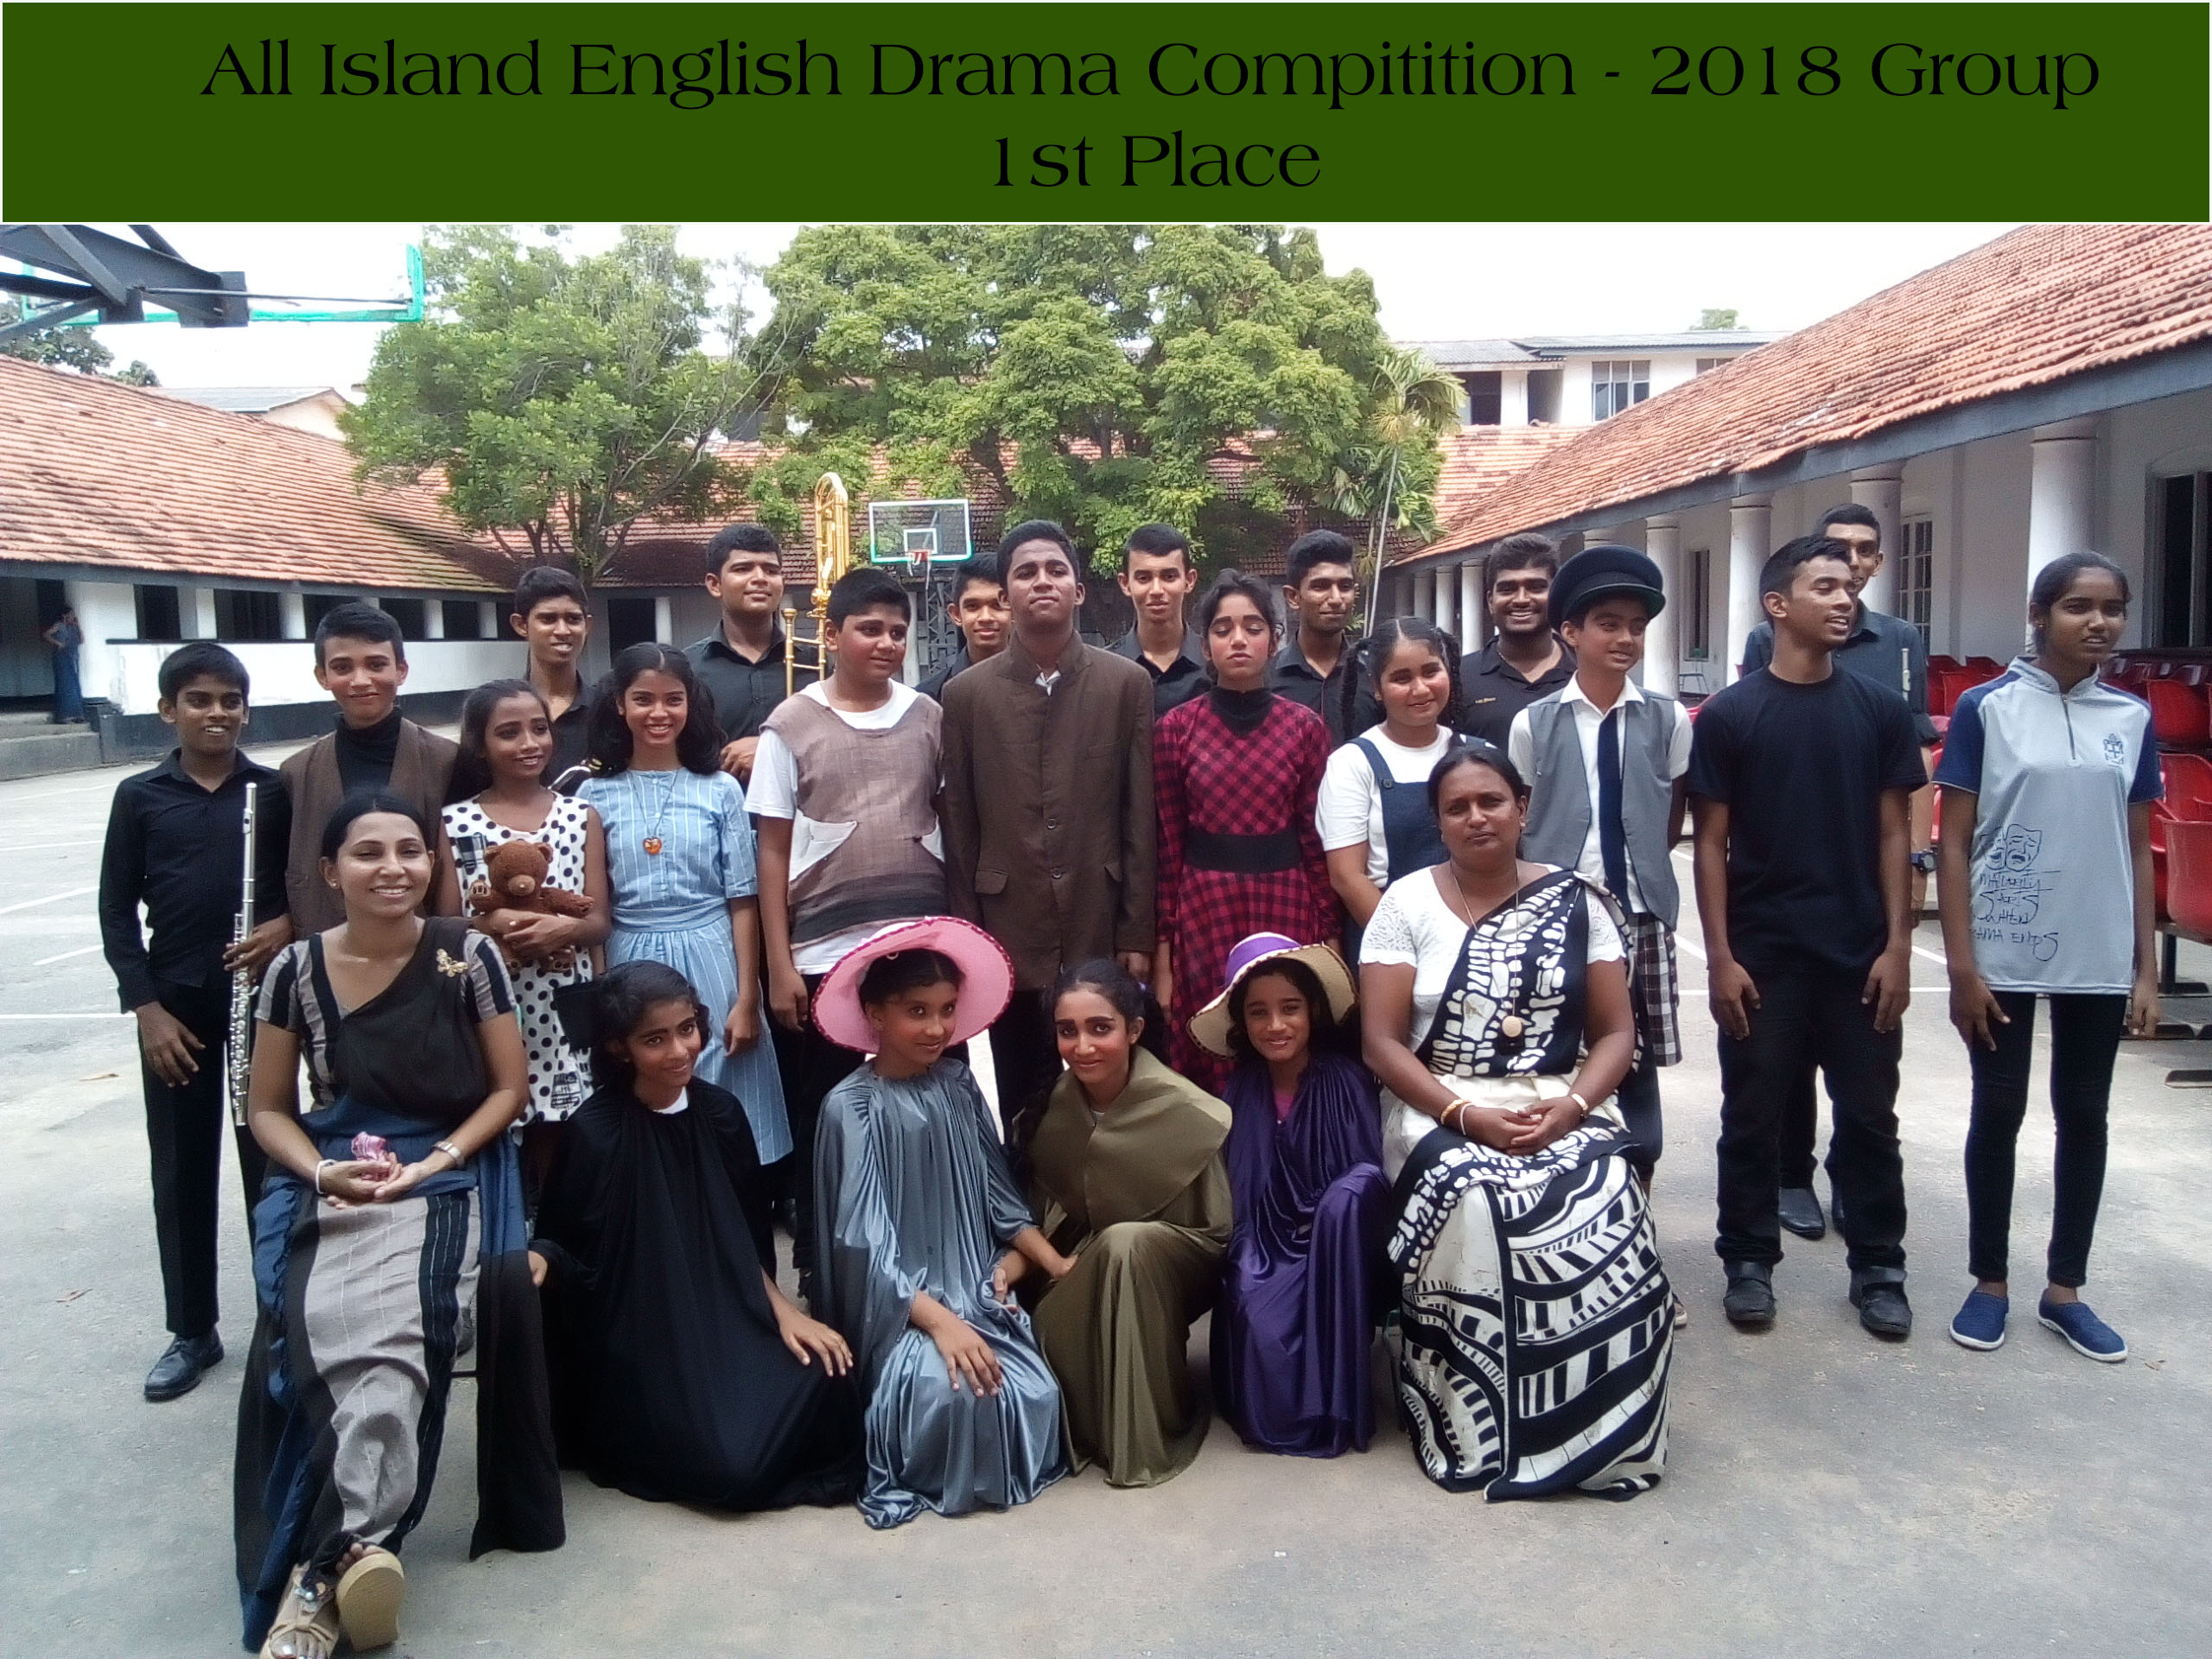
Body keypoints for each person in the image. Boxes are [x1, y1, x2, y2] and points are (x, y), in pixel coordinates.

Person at [235, 792, 561, 1659]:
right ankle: (359, 1553)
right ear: (330, 871)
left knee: (399, 1336)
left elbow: (508, 1090)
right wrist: (320, 1172)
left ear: (432, 863)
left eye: (410, 851)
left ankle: (318, 1576)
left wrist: (434, 1162)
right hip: (333, 1172)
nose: (393, 868)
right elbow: (266, 1109)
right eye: (368, 853)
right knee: (319, 1326)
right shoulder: (294, 969)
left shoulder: (468, 953)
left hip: (443, 1170)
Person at [1359, 742, 1671, 1500]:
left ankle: (1607, 1435)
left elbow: (1617, 1034)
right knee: (1477, 1197)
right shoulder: (1405, 904)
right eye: (1457, 807)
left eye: (1491, 801)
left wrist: (1572, 1108)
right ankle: (1477, 1430)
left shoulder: (1580, 902)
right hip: (1437, 1100)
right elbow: (1381, 1044)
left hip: (1558, 1095)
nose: (1477, 817)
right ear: (1438, 822)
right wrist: (1465, 1114)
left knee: (1609, 1195)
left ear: (1522, 807)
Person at [1688, 537, 1925, 1338]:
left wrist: (1898, 946)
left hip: (1858, 954)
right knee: (1752, 1117)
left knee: (1871, 1119)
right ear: (1778, 605)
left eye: (1849, 587)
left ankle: (1880, 1269)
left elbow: (1895, 834)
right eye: (1824, 586)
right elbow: (1710, 843)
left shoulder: (1880, 711)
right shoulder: (1731, 715)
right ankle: (1748, 1261)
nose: (1845, 598)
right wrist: (1721, 958)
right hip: (1764, 956)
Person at [531, 961, 863, 1511]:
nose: (680, 1050)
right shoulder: (595, 1132)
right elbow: (571, 1254)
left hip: (729, 1313)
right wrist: (542, 1258)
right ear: (618, 1047)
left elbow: (747, 1239)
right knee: (735, 1466)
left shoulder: (723, 1114)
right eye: (655, 1039)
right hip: (643, 1338)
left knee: (831, 1382)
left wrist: (787, 1315)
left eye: (686, 1029)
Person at [1936, 552, 2159, 1363]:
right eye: (2078, 606)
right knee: (1998, 1112)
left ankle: (2065, 1290)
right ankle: (1989, 1283)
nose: (2099, 622)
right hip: (2003, 948)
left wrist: (2145, 968)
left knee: (2085, 1115)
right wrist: (1962, 966)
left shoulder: (2131, 718)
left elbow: (2138, 847)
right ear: (2039, 615)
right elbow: (1952, 843)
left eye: (2113, 608)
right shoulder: (1985, 709)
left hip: (2097, 950)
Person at [810, 918, 1071, 1529]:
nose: (937, 1028)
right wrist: (941, 1323)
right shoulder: (851, 1106)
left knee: (1032, 1391)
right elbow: (863, 1243)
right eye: (917, 1012)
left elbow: (1000, 1201)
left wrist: (1050, 1263)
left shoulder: (958, 1083)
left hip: (972, 1284)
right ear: (874, 1014)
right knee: (953, 1394)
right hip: (899, 1305)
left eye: (948, 1010)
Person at [1740, 503, 1939, 1242]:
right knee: (1784, 1061)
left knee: (1866, 1069)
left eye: (1864, 552)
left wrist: (1915, 871)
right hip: (1787, 877)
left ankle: (1856, 1187)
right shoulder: (1766, 641)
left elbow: (1914, 761)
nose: (1852, 566)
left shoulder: (1899, 642)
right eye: (1837, 552)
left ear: (1879, 563)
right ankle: (1791, 1174)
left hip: (1862, 875)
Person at [99, 643, 291, 1402]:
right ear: (167, 711)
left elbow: (304, 885)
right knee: (180, 1169)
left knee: (268, 1165)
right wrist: (146, 1009)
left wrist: (284, 924)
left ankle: (278, 1319)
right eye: (199, 701)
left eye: (229, 701)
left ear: (246, 710)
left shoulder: (272, 791)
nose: (217, 713)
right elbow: (117, 912)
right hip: (175, 1009)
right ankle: (192, 1330)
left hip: (261, 1005)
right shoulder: (140, 796)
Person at [754, 567, 945, 1294]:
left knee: (920, 1107)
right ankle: (825, 1267)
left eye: (898, 631)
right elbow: (771, 850)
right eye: (870, 629)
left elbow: (950, 817)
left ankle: (926, 1257)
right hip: (825, 955)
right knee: (829, 1115)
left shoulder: (929, 717)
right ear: (831, 635)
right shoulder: (790, 725)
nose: (887, 643)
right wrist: (779, 964)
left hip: (918, 951)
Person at [941, 520, 1156, 1143]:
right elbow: (960, 827)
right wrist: (970, 943)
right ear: (1005, 595)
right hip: (1009, 923)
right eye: (1026, 572)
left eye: (1056, 570)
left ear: (1079, 590)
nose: (1043, 582)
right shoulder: (966, 695)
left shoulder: (1125, 684)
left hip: (1099, 913)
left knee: (1112, 1086)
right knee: (1025, 1097)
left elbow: (1139, 816)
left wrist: (1136, 930)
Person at [1509, 546, 1690, 1186]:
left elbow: (1670, 812)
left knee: (1634, 1052)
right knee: (1560, 1042)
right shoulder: (1534, 723)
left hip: (1639, 912)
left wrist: (1643, 872)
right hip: (1561, 913)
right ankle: (1565, 1178)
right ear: (1570, 632)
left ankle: (1639, 1172)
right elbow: (1524, 816)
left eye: (1636, 627)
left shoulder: (1667, 718)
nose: (1625, 639)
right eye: (1608, 624)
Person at [576, 644, 791, 1167]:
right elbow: (594, 909)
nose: (659, 713)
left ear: (690, 704)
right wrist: (603, 994)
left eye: (673, 699)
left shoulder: (720, 790)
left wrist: (747, 996)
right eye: (643, 700)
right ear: (619, 705)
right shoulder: (592, 796)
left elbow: (742, 899)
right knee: (647, 1090)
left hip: (712, 951)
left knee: (724, 1078)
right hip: (631, 953)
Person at [1027, 959, 1232, 1488]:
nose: (1083, 1047)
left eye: (1101, 1028)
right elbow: (1049, 1213)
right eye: (1068, 1031)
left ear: (1134, 1029)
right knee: (1065, 1302)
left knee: (1125, 1245)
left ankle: (1143, 1436)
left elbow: (1212, 1232)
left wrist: (1124, 1245)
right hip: (1076, 1261)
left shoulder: (1187, 1110)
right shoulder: (1055, 1105)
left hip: (1173, 1266)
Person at [1192, 934, 1384, 1458]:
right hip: (1264, 1236)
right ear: (1242, 1021)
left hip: (1332, 1242)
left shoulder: (1344, 1080)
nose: (1275, 1025)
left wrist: (1332, 1211)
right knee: (1255, 1310)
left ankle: (1330, 1409)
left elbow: (1367, 1173)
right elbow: (1238, 1184)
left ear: (1313, 1010)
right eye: (1259, 1012)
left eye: (1290, 1008)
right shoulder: (1241, 1089)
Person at [1153, 569, 1337, 1093]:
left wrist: (1329, 939)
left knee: (1287, 1036)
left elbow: (1315, 840)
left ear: (1274, 641)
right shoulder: (1175, 730)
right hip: (1203, 908)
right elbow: (1167, 847)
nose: (1238, 639)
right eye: (1223, 628)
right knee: (1211, 1038)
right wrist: (1164, 960)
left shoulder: (1306, 729)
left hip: (1287, 900)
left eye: (1253, 628)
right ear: (1205, 645)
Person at [435, 679, 610, 1199]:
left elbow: (599, 920)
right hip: (492, 1005)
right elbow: (445, 927)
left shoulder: (579, 816)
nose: (529, 743)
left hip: (564, 1003)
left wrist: (565, 928)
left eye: (539, 729)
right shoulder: (455, 823)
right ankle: (511, 1231)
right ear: (479, 744)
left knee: (564, 1138)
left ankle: (558, 1233)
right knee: (501, 1128)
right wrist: (491, 926)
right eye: (509, 733)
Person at [278, 601, 459, 938]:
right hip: (326, 945)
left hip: (425, 945)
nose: (360, 681)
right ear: (322, 676)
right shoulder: (297, 773)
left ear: (401, 670)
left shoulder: (446, 761)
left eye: (376, 665)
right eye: (342, 667)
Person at [1318, 615, 1460, 957]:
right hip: (1388, 945)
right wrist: (1414, 949)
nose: (1420, 689)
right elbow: (1347, 877)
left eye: (1431, 671)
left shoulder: (1477, 755)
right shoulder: (1352, 764)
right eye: (1401, 678)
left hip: (1471, 936)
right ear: (1377, 689)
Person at [686, 523, 813, 785]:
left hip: (799, 809)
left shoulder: (815, 663)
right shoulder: (686, 670)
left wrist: (768, 749)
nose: (760, 578)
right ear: (715, 584)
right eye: (743, 569)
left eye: (771, 570)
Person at [1456, 533, 1575, 747]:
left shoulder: (1586, 672)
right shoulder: (1458, 678)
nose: (1521, 599)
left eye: (1536, 587)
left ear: (1557, 595)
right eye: (1507, 589)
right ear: (1490, 601)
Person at [1272, 530, 1380, 742]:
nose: (1336, 599)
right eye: (1320, 586)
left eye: (1345, 587)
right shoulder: (1267, 681)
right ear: (1293, 597)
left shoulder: (1376, 676)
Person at [508, 567, 596, 788]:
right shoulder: (500, 714)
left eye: (573, 619)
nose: (563, 630)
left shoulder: (607, 711)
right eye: (548, 619)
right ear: (521, 625)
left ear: (587, 626)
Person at [1109, 522, 1208, 717]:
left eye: (1169, 576)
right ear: (1125, 583)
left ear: (1189, 580)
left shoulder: (1216, 667)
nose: (1156, 590)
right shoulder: (1105, 671)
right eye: (1143, 578)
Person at [917, 567, 1009, 701]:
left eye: (997, 605)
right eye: (972, 606)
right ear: (956, 614)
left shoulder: (1039, 689)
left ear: (1014, 610)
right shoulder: (929, 698)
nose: (985, 617)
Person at [42, 603, 85, 723]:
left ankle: (77, 714)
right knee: (64, 685)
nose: (73, 616)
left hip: (73, 657)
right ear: (65, 615)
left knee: (74, 685)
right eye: (71, 614)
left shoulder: (74, 627)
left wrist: (79, 627)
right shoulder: (59, 625)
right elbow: (46, 635)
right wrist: (58, 643)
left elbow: (81, 640)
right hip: (62, 657)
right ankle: (64, 715)